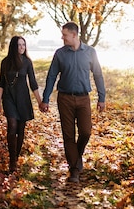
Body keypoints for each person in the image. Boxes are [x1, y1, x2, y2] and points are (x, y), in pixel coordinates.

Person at [40, 22, 106, 183]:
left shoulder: (90, 52)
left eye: (65, 35)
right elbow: (51, 76)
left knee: (86, 132)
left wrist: (102, 97)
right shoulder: (60, 54)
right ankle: (74, 169)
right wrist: (46, 98)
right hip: (65, 98)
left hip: (84, 98)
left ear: (74, 35)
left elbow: (98, 75)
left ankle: (76, 157)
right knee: (68, 135)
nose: (62, 37)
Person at [0, 36, 43, 173]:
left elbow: (33, 83)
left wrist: (40, 101)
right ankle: (12, 161)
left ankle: (16, 157)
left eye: (23, 45)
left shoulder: (27, 62)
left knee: (21, 129)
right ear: (13, 46)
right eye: (19, 45)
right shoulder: (5, 62)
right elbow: (1, 83)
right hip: (9, 98)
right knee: (12, 126)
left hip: (23, 98)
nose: (22, 47)